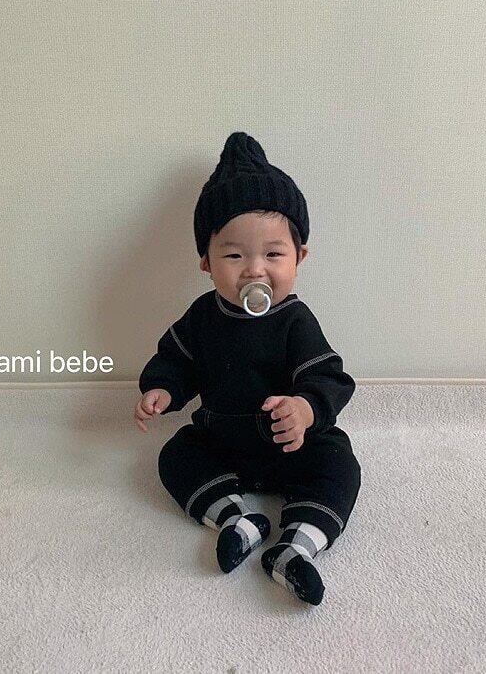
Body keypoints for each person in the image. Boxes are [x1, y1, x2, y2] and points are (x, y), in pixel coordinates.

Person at [134, 132, 361, 606]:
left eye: (273, 254)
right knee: (175, 454)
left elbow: (329, 377)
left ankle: (295, 546)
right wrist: (162, 389)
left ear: (299, 257)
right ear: (206, 261)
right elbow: (177, 360)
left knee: (339, 463)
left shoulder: (295, 319)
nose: (255, 270)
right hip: (223, 441)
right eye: (234, 255)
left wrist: (304, 408)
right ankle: (236, 520)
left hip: (291, 445)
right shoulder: (203, 317)